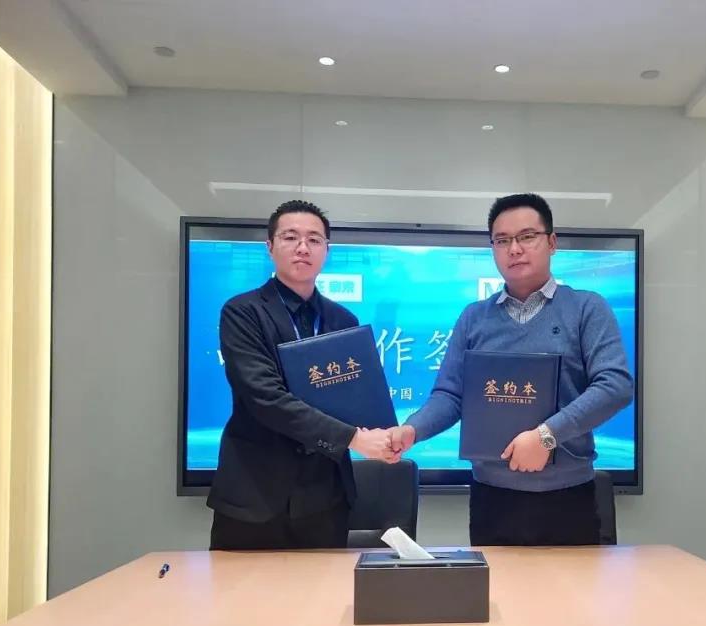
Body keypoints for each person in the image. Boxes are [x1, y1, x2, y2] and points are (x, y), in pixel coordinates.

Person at [388, 193, 633, 546]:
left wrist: (546, 436)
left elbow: (614, 385)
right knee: (496, 584)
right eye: (502, 240)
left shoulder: (586, 309)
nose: (514, 249)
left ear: (552, 243)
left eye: (527, 236)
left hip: (569, 498)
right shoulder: (474, 317)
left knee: (571, 586)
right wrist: (413, 429)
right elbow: (451, 395)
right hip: (492, 498)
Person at [207, 199, 397, 551]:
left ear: (327, 250)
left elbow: (357, 399)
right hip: (255, 495)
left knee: (325, 587)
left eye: (314, 239)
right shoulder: (243, 312)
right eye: (290, 237)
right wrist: (354, 438)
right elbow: (265, 398)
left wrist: (387, 436)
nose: (303, 247)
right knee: (239, 589)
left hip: (325, 498)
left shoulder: (343, 321)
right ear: (270, 246)